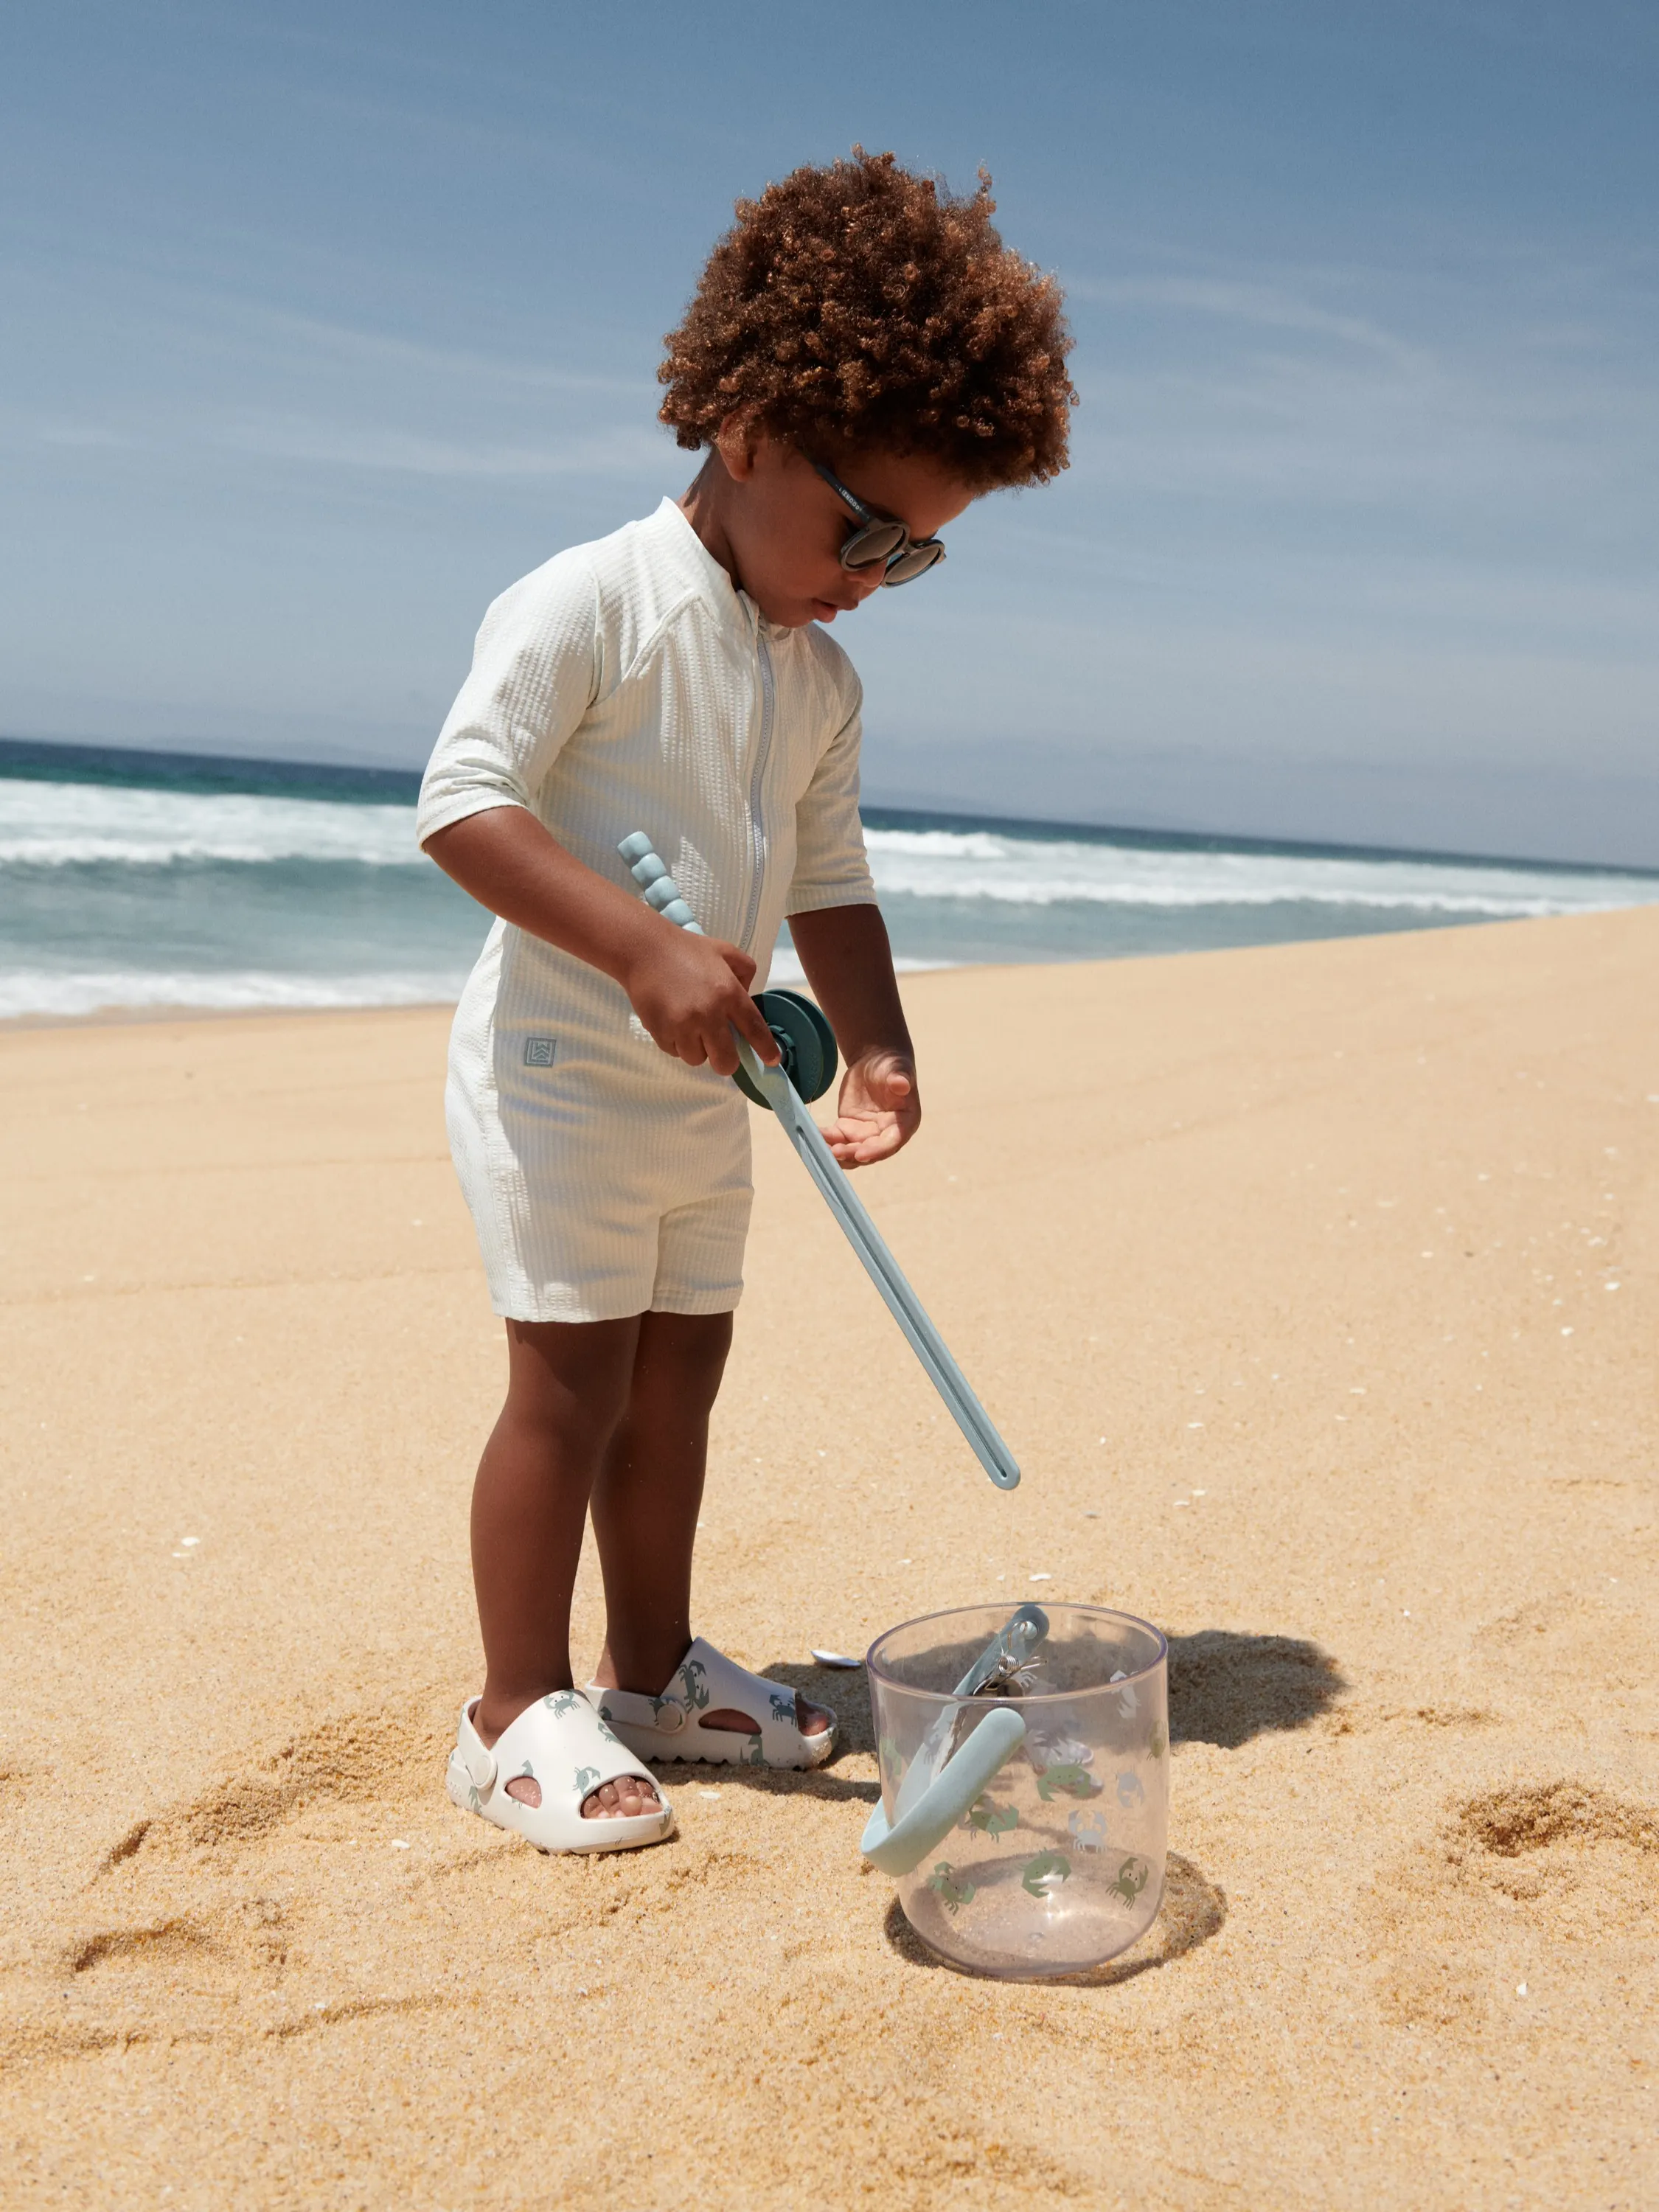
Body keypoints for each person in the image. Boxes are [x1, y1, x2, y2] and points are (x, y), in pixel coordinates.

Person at [419, 150, 1074, 1855]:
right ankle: (507, 1711)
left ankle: (648, 1675)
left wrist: (880, 1044)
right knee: (569, 1390)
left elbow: (831, 877)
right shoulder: (593, 601)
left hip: (717, 1094)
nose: (873, 577)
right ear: (755, 425)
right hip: (559, 1078)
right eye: (868, 531)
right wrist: (639, 950)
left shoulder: (820, 678)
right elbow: (463, 802)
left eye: (917, 558)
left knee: (681, 1384)